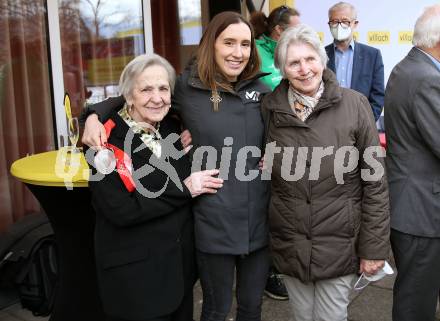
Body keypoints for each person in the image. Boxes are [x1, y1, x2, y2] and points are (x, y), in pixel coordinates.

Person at [82, 11, 271, 321]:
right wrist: (91, 116)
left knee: (252, 308)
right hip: (209, 229)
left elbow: (286, 128)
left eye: (245, 44)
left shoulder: (262, 92)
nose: (238, 52)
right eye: (229, 42)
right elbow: (130, 96)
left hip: (253, 225)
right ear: (211, 44)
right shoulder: (187, 89)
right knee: (216, 309)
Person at [261, 24, 390, 321]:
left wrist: (373, 247)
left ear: (322, 60)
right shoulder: (270, 108)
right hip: (290, 241)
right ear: (282, 68)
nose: (304, 69)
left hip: (338, 241)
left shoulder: (354, 104)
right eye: (294, 62)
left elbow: (375, 183)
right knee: (303, 316)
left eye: (310, 59)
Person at [84, 53, 223, 321]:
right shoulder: (104, 140)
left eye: (163, 88)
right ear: (129, 96)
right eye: (146, 89)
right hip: (136, 284)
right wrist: (185, 188)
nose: (157, 97)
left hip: (178, 277)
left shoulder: (170, 127)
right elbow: (121, 210)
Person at [384, 4, 440, 321]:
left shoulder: (410, 66)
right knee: (416, 304)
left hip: (414, 207)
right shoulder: (426, 78)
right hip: (422, 213)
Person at [250, 5, 300, 301]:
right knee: (267, 208)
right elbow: (273, 89)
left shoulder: (289, 50)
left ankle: (281, 267)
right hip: (259, 143)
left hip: (285, 141)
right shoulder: (255, 51)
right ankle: (269, 273)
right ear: (279, 31)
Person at [325, 2, 384, 122]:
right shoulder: (319, 55)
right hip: (327, 126)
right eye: (334, 21)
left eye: (345, 21)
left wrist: (366, 123)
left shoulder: (372, 55)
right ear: (329, 24)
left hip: (361, 125)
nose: (339, 26)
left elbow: (378, 95)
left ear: (355, 24)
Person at [251, 5, 300, 91]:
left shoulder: (295, 51)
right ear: (279, 29)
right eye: (295, 30)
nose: (299, 34)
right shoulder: (253, 51)